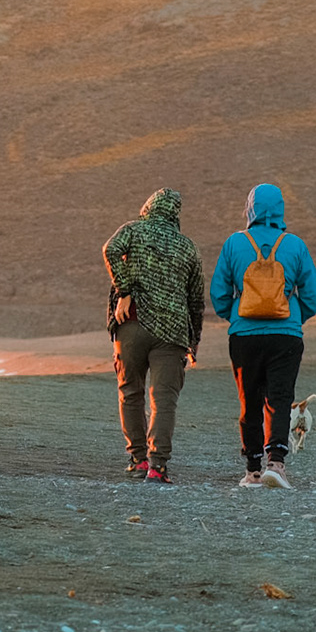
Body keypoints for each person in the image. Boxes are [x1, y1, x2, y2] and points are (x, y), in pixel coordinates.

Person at [210, 184, 316, 489]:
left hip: (244, 336)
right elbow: (312, 292)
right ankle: (276, 464)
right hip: (285, 335)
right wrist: (296, 316)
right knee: (280, 399)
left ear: (250, 209)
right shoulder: (295, 244)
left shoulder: (234, 243)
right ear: (281, 208)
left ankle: (253, 471)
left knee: (250, 401)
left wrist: (235, 314)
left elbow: (219, 293)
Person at [103, 188, 205, 484]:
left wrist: (125, 290)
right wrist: (193, 342)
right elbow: (196, 301)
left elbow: (110, 250)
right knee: (164, 399)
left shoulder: (132, 231)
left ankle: (137, 460)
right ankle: (157, 465)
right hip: (172, 333)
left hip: (131, 324)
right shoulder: (188, 247)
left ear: (148, 207)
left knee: (130, 392)